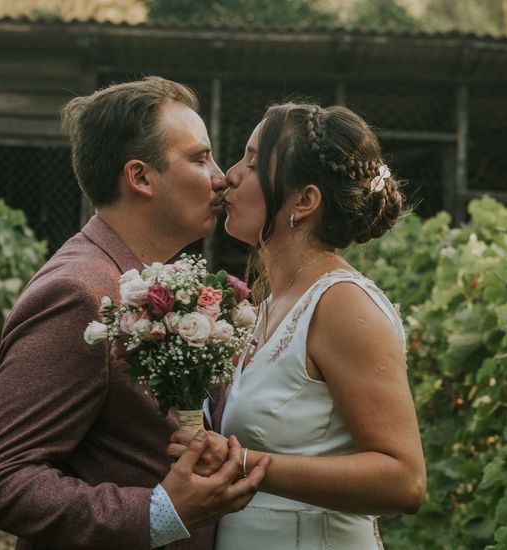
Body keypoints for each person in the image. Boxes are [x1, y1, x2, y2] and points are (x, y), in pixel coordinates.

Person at [0, 76, 269, 550]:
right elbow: (0, 481)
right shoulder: (76, 292)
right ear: (140, 177)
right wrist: (159, 513)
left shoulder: (156, 283)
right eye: (198, 157)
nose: (221, 176)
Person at [169, 102, 426, 548]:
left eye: (251, 163)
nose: (229, 175)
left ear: (304, 201)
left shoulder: (344, 304)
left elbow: (404, 479)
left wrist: (243, 462)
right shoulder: (270, 304)